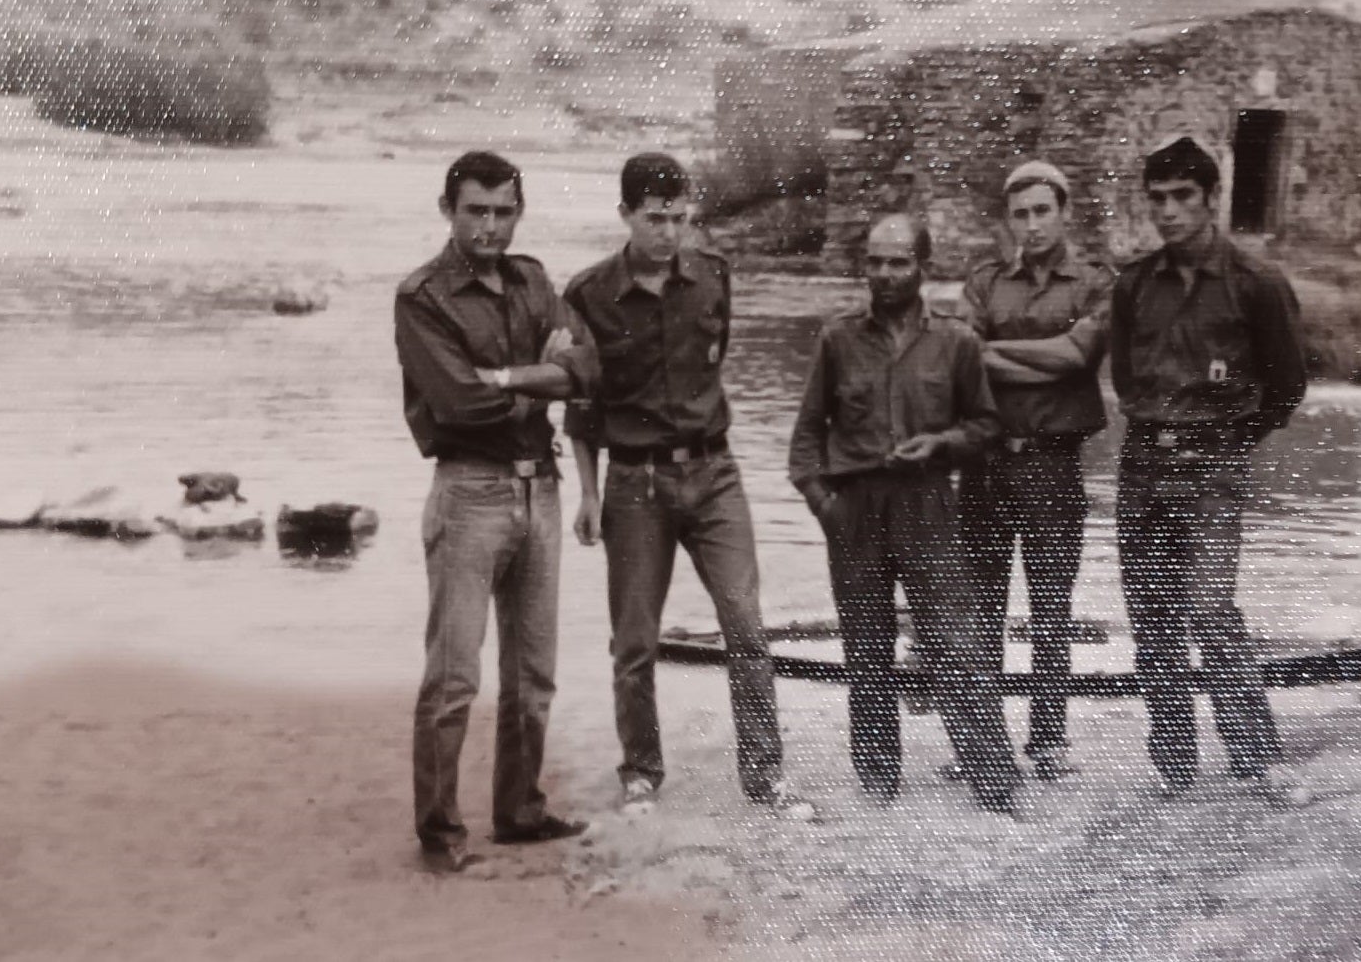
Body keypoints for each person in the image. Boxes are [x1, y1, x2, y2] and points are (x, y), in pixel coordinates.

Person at [562, 153, 814, 820]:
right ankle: (640, 772)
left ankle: (764, 777)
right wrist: (587, 494)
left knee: (746, 626)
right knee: (634, 639)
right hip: (633, 483)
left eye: (679, 218)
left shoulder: (712, 278)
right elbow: (582, 406)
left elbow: (713, 363)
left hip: (714, 473)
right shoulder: (587, 294)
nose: (668, 232)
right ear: (625, 215)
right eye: (654, 219)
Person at [394, 150, 596, 874]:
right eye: (476, 210)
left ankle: (519, 811)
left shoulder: (534, 280)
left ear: (519, 212)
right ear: (448, 209)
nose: (489, 225)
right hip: (469, 491)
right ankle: (441, 830)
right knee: (454, 675)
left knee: (533, 670)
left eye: (503, 210)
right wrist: (546, 381)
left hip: (540, 488)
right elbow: (458, 402)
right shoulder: (422, 296)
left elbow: (589, 371)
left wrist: (513, 378)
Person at [788, 213, 1022, 814]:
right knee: (866, 653)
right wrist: (824, 506)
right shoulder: (837, 339)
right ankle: (878, 789)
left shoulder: (957, 341)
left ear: (923, 266)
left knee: (956, 646)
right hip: (855, 510)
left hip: (928, 505)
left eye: (898, 262)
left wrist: (940, 444)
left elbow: (988, 426)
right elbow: (806, 439)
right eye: (874, 261)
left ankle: (995, 789)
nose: (884, 274)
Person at [1108, 136, 1309, 802]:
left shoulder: (1255, 284)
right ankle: (1174, 765)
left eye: (1181, 197)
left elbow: (1284, 387)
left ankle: (1255, 758)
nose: (1167, 212)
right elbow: (1123, 376)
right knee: (1151, 619)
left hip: (1212, 466)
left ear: (1210, 198)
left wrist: (1230, 441)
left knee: (1210, 609)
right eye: (1156, 198)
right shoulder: (1134, 284)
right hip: (1142, 465)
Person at [959, 161, 1115, 782]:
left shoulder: (1093, 283)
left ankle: (1048, 743)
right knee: (982, 607)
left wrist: (997, 353)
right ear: (1009, 220)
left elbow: (1082, 355)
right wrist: (1048, 361)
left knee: (1052, 610)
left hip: (1054, 465)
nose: (1032, 224)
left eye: (1042, 211)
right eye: (1020, 214)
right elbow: (961, 359)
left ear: (1065, 212)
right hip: (988, 462)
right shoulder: (986, 282)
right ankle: (985, 743)